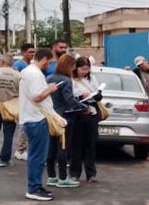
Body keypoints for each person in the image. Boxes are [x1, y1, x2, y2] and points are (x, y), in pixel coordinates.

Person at [19, 48, 60, 201]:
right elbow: (37, 97)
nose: (48, 66)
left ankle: (36, 185)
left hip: (31, 118)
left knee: (37, 156)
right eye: (48, 63)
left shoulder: (27, 71)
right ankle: (34, 188)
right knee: (38, 157)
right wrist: (50, 89)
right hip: (36, 119)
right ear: (43, 59)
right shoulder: (35, 74)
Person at [46, 54, 85, 188]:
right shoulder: (66, 80)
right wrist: (83, 106)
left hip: (51, 115)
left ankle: (51, 176)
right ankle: (63, 177)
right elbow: (69, 100)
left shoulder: (49, 78)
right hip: (65, 117)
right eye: (73, 66)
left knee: (51, 147)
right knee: (63, 147)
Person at [70, 57, 100, 182]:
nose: (84, 72)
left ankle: (91, 173)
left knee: (90, 144)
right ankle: (75, 172)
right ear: (76, 68)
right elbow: (70, 96)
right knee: (76, 144)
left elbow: (98, 94)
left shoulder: (92, 79)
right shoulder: (72, 80)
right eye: (82, 69)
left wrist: (97, 95)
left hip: (91, 113)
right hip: (77, 113)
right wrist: (81, 95)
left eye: (87, 69)